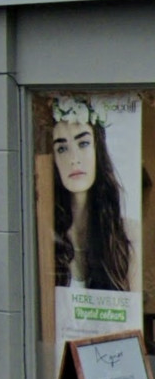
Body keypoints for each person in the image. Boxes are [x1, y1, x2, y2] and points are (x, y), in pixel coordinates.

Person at [51, 95, 134, 291]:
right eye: (62, 148)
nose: (74, 159)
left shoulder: (127, 234)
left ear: (98, 149)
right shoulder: (46, 234)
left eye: (83, 144)